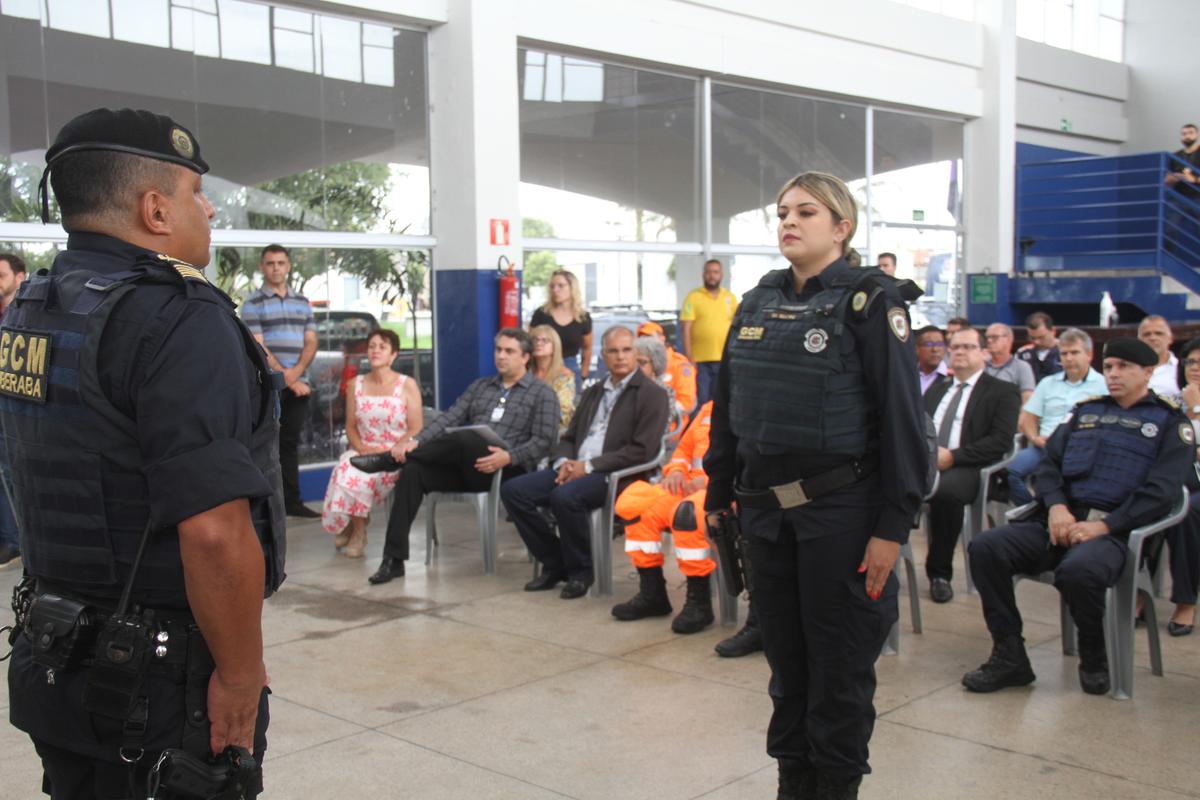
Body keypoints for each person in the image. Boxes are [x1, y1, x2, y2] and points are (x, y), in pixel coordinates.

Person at [0, 108, 283, 798]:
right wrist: (241, 677)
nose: (209, 210)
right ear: (155, 208)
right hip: (156, 684)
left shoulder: (32, 309)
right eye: (194, 194)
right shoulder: (180, 320)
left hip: (55, 656)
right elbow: (214, 532)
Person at [704, 171, 927, 799]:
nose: (788, 223)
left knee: (838, 674)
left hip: (844, 517)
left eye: (805, 212)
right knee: (787, 671)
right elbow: (729, 411)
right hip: (766, 519)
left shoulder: (873, 303)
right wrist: (719, 495)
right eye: (781, 213)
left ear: (842, 227)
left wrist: (892, 528)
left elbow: (904, 426)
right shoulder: (755, 302)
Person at [962, 338, 1194, 696]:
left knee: (1078, 571)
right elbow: (1048, 466)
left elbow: (1161, 493)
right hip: (1059, 521)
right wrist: (1055, 506)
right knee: (986, 547)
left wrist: (1104, 526)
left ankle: (1094, 652)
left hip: (1116, 533)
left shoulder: (1169, 422)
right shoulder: (1087, 412)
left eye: (1123, 367)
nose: (1113, 374)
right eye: (1110, 366)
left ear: (1148, 372)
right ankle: (1010, 655)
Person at [363, 328, 559, 584]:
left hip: (507, 469)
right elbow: (448, 419)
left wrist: (509, 456)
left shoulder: (542, 393)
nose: (501, 356)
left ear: (525, 357)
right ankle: (393, 560)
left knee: (467, 437)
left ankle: (389, 459)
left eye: (509, 351)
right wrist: (416, 441)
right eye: (498, 350)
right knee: (414, 472)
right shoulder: (481, 387)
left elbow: (545, 442)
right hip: (466, 464)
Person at [503, 326, 669, 599]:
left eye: (627, 350)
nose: (620, 357)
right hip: (574, 467)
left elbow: (642, 451)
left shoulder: (652, 394)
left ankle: (581, 571)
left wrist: (588, 467)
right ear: (603, 355)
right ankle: (556, 562)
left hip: (618, 475)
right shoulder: (593, 392)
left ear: (635, 353)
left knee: (565, 497)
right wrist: (564, 463)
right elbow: (569, 436)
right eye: (613, 351)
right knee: (514, 491)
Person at [923, 327, 1021, 603]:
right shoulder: (936, 389)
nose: (960, 352)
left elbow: (1000, 441)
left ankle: (939, 573)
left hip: (967, 466)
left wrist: (953, 457)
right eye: (955, 347)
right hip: (927, 462)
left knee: (946, 494)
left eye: (968, 347)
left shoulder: (1002, 391)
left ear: (984, 353)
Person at [611, 400, 717, 633]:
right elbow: (683, 451)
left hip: (723, 492)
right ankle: (653, 594)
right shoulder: (709, 409)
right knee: (638, 506)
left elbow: (750, 463)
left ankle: (699, 603)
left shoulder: (753, 409)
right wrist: (676, 471)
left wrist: (710, 481)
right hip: (689, 486)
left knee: (686, 514)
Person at [321, 328, 423, 558]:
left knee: (357, 472)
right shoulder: (355, 384)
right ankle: (358, 529)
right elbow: (350, 426)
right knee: (349, 465)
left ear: (394, 354)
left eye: (382, 347)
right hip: (363, 448)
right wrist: (360, 447)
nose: (376, 351)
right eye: (372, 346)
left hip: (392, 454)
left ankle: (352, 527)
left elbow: (416, 427)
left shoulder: (407, 385)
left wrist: (395, 447)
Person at [241, 244, 320, 518]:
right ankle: (266, 508)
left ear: (288, 266)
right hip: (269, 387)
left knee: (289, 444)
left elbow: (311, 341)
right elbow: (259, 347)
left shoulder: (303, 302)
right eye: (270, 263)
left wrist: (295, 373)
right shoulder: (252, 304)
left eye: (281, 263)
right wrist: (286, 378)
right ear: (262, 267)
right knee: (265, 445)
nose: (276, 267)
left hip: (299, 385)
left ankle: (292, 503)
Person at [1009, 328, 1107, 506]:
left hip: (1082, 450)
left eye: (1075, 352)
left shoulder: (1103, 385)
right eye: (1064, 353)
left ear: (1089, 355)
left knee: (1065, 481)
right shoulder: (1048, 384)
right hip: (1045, 447)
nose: (1069, 358)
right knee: (1009, 472)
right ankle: (1033, 511)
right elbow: (1027, 418)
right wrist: (1035, 438)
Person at [1161, 336, 1200, 636]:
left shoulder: (1188, 403)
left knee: (1184, 511)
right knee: (1145, 502)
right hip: (1179, 479)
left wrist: (1196, 407)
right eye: (1190, 362)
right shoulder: (1172, 401)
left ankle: (1185, 601)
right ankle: (1139, 592)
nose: (1195, 368)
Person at [680, 258, 737, 407]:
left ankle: (716, 431)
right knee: (701, 400)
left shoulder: (730, 298)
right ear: (703, 275)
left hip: (724, 359)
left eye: (715, 272)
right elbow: (686, 328)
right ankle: (700, 431)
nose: (712, 275)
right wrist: (689, 357)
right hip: (699, 361)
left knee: (720, 401)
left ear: (721, 275)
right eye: (709, 272)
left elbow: (736, 328)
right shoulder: (693, 297)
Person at [0, 252, 26, 567]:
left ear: (20, 277)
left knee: (11, 470)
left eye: (1, 276)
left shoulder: (25, 315)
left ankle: (16, 542)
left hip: (16, 406)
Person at [530, 269, 592, 388]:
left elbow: (587, 348)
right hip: (543, 367)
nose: (555, 290)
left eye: (560, 286)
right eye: (552, 286)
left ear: (572, 288)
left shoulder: (583, 317)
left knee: (568, 405)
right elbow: (529, 343)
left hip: (570, 366)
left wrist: (583, 374)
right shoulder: (541, 314)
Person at [637, 320, 697, 419]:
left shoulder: (679, 365)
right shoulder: (636, 365)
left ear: (662, 339)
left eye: (650, 338)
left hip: (671, 426)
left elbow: (686, 402)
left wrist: (657, 411)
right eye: (642, 339)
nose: (646, 343)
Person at [530, 324, 576, 434]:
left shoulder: (564, 375)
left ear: (555, 346)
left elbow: (564, 411)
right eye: (535, 340)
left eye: (545, 340)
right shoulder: (525, 373)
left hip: (553, 429)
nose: (538, 343)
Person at [984, 322, 1036, 403]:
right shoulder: (981, 365)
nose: (989, 341)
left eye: (994, 337)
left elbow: (1027, 399)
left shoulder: (1021, 367)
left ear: (1008, 339)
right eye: (987, 338)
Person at [1138, 314, 1180, 400]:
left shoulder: (1182, 369)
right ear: (1139, 340)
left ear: (1170, 338)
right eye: (1147, 334)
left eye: (1159, 333)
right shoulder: (1129, 369)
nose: (1153, 338)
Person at [1017, 311, 1062, 383]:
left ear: (1053, 331)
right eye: (1032, 338)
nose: (1036, 342)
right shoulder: (1022, 353)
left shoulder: (1067, 351)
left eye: (1041, 337)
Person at [1164, 122, 1200, 195]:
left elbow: (1192, 179)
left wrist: (1194, 179)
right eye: (1184, 134)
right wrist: (1171, 179)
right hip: (1179, 196)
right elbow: (1166, 179)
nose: (1187, 136)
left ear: (1197, 135)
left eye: (1191, 133)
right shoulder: (1175, 155)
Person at [915, 325, 949, 395]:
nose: (935, 349)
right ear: (916, 349)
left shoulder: (953, 377)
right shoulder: (908, 376)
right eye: (928, 344)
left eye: (939, 344)